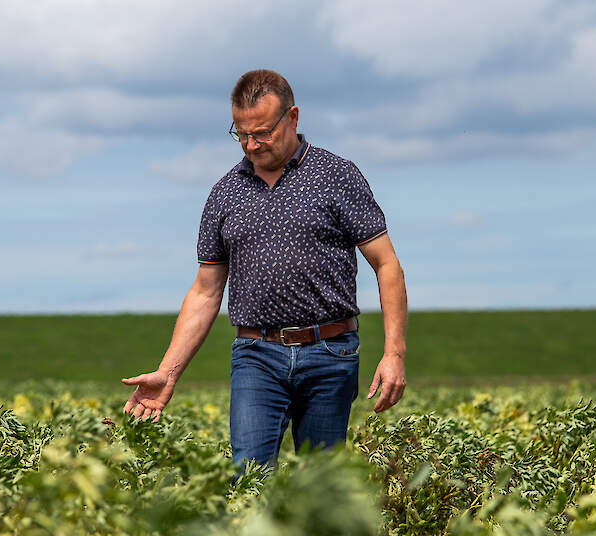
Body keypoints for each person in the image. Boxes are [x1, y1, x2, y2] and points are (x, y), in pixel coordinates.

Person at [122, 69, 407, 469]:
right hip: (256, 354)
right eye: (241, 134)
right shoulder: (225, 193)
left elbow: (387, 264)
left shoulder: (337, 176)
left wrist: (394, 352)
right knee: (249, 477)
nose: (252, 145)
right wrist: (168, 372)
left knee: (321, 487)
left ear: (292, 117)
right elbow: (205, 291)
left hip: (331, 353)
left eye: (263, 133)